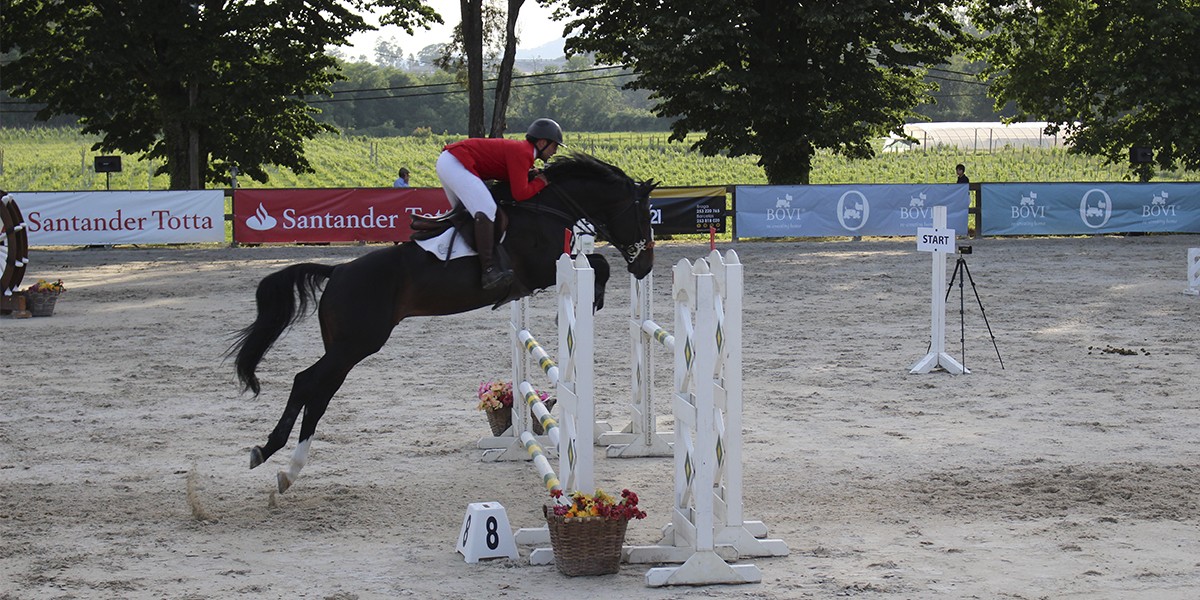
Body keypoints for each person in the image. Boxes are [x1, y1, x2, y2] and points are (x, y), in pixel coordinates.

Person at [436, 118, 564, 291]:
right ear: (542, 142)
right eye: (554, 146)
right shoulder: (524, 152)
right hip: (455, 162)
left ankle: (457, 260)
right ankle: (489, 270)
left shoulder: (523, 151)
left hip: (450, 161)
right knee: (487, 209)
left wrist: (530, 175)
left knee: (466, 215)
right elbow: (520, 194)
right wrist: (541, 182)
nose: (555, 151)